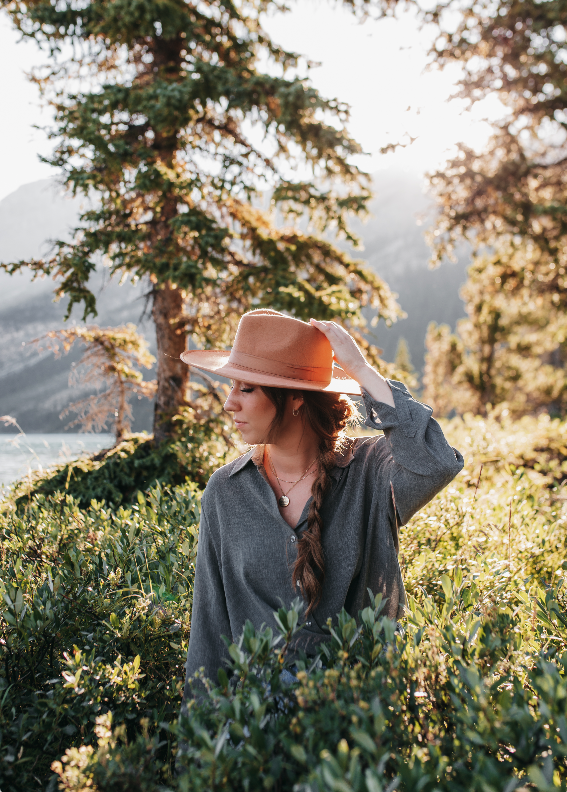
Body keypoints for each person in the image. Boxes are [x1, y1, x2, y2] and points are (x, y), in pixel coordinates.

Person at [180, 309, 463, 698]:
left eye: (245, 389)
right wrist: (201, 748)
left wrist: (362, 371)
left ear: (295, 397)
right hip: (254, 739)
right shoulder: (225, 491)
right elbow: (210, 630)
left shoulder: (371, 472)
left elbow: (436, 464)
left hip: (355, 730)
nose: (229, 403)